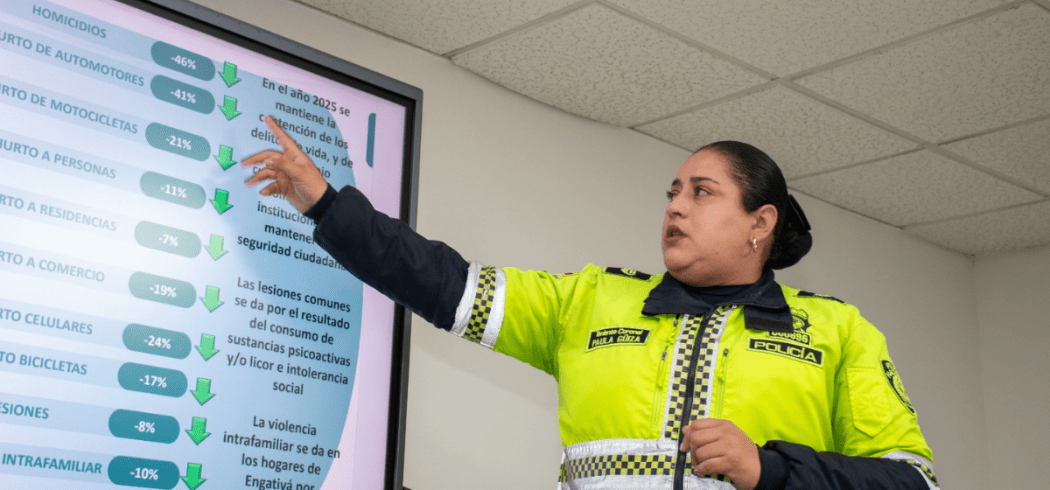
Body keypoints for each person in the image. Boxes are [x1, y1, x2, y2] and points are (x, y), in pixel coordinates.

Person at [244, 115, 938, 490]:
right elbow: (441, 280)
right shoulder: (592, 300)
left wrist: (772, 468)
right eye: (671, 190)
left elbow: (912, 484)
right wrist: (329, 206)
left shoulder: (838, 330)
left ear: (761, 222)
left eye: (701, 191)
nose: (675, 205)